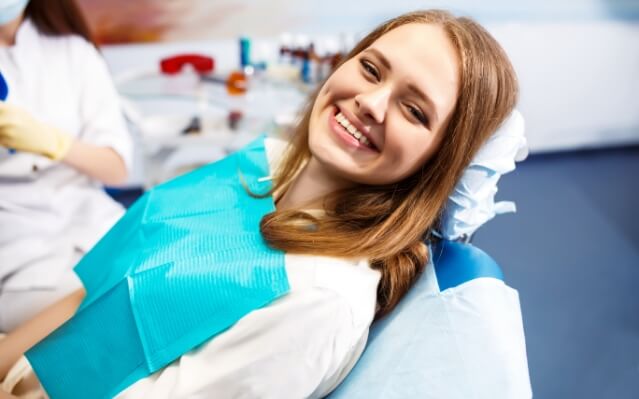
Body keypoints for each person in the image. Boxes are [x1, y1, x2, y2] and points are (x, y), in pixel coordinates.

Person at [0, 9, 523, 399]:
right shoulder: (264, 163)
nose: (371, 102)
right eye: (371, 68)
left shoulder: (319, 300)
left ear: (441, 162)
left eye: (414, 109)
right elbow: (98, 286)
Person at [0, 0, 133, 332]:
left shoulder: (74, 53)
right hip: (19, 253)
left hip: (96, 225)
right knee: (105, 311)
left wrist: (53, 142)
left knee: (162, 284)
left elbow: (116, 168)